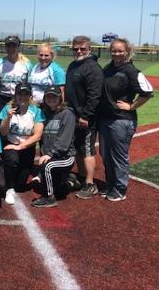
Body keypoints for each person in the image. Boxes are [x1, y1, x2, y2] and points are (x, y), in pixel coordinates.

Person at [98, 38, 153, 201]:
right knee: (106, 155)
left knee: (118, 156)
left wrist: (131, 106)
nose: (116, 54)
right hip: (105, 119)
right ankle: (110, 184)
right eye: (114, 50)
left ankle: (120, 189)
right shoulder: (108, 68)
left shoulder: (131, 70)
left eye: (120, 51)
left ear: (127, 52)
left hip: (121, 121)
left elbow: (147, 92)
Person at [65, 35, 103, 199]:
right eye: (76, 49)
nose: (79, 51)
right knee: (78, 147)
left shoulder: (92, 67)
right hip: (73, 114)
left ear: (89, 49)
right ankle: (81, 177)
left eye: (82, 48)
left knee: (86, 149)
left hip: (86, 117)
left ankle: (90, 183)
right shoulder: (74, 65)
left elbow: (95, 95)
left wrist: (86, 115)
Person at [0, 82, 45, 205]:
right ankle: (9, 189)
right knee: (12, 160)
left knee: (20, 185)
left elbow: (37, 135)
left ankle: (9, 177)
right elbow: (3, 132)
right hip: (11, 144)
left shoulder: (36, 111)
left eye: (26, 94)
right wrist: (8, 117)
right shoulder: (7, 109)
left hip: (27, 148)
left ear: (30, 97)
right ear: (15, 95)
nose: (22, 97)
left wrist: (19, 147)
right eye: (20, 94)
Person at [31, 85, 76, 208]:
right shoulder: (44, 113)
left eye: (54, 96)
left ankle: (49, 198)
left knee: (47, 166)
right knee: (61, 192)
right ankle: (70, 181)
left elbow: (64, 142)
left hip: (65, 157)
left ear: (60, 98)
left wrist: (49, 154)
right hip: (51, 156)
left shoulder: (67, 114)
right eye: (48, 96)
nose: (51, 99)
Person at [0, 36, 32, 120]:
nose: (11, 48)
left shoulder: (26, 64)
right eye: (8, 46)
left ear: (18, 47)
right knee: (2, 125)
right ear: (5, 47)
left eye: (14, 46)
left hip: (20, 99)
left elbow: (29, 84)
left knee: (18, 124)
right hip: (2, 99)